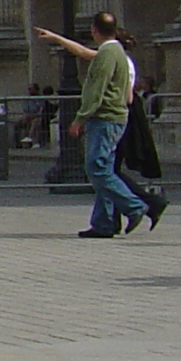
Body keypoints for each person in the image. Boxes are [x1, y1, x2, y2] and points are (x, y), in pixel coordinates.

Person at [36, 16, 150, 238]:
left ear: (94, 30)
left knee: (95, 168)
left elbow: (95, 89)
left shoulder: (108, 54)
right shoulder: (115, 52)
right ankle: (103, 223)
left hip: (105, 118)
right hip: (114, 117)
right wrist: (56, 37)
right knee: (104, 170)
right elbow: (85, 53)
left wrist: (80, 118)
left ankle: (134, 206)